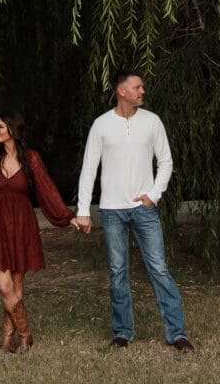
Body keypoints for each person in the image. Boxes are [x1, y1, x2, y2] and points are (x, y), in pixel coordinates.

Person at [73, 69, 193, 351]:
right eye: (138, 87)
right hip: (112, 210)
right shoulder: (101, 125)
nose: (142, 91)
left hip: (143, 209)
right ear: (122, 91)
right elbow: (89, 169)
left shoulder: (152, 122)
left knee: (159, 269)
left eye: (142, 87)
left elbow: (166, 162)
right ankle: (123, 332)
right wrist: (83, 210)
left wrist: (153, 195)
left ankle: (177, 334)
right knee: (117, 271)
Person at [0, 112, 74, 352]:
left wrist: (67, 216)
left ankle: (8, 338)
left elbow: (47, 190)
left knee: (16, 284)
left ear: (12, 129)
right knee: (4, 285)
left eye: (0, 126)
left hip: (22, 224)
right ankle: (25, 332)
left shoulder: (31, 159)